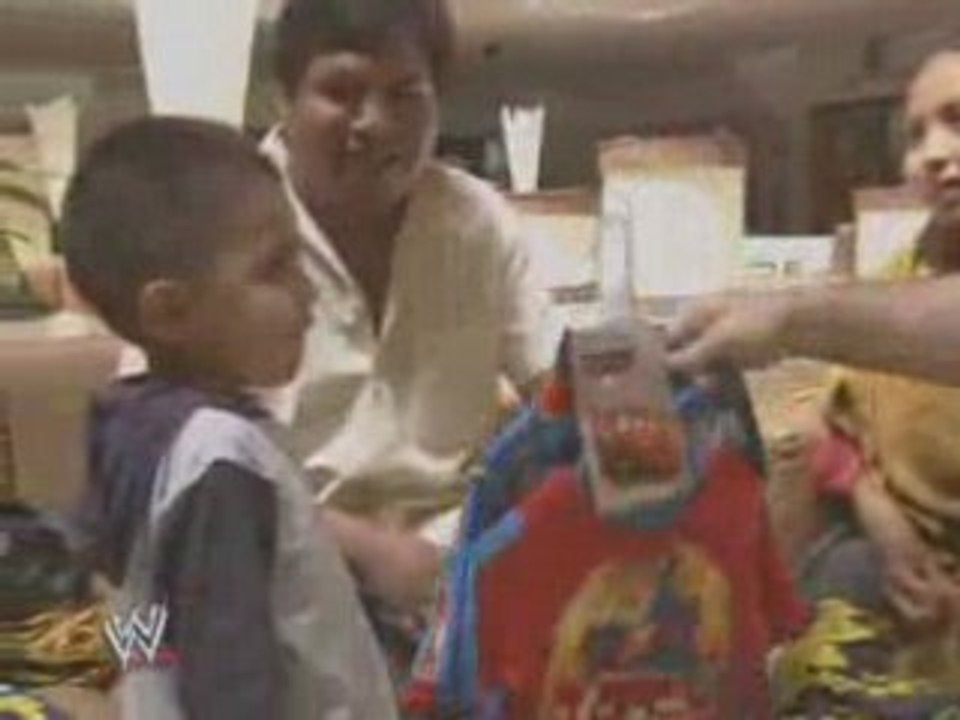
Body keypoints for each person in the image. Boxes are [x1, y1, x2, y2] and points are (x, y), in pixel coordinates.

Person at [63, 117, 396, 719]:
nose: (309, 293)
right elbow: (230, 672)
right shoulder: (221, 461)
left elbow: (122, 610)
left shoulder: (129, 432)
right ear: (170, 311)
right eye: (275, 268)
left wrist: (147, 691)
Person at [265, 0, 558, 612]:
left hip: (460, 572)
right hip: (275, 567)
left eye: (405, 94)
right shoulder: (225, 222)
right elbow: (167, 454)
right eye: (341, 92)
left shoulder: (476, 220)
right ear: (283, 101)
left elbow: (555, 390)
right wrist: (366, 550)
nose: (374, 123)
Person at [667, 49, 960, 386]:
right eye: (915, 136)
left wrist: (789, 319)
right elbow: (858, 413)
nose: (932, 153)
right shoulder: (904, 269)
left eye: (958, 119)